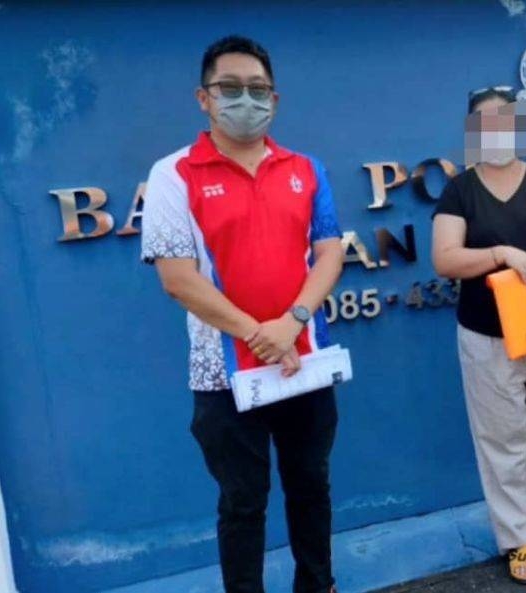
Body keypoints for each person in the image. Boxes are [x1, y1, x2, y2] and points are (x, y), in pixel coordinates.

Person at [140, 35, 344, 593]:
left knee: (311, 487)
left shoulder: (306, 168)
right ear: (203, 98)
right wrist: (259, 335)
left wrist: (293, 322)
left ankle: (318, 585)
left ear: (274, 100)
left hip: (304, 361)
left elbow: (330, 252)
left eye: (257, 90)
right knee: (242, 503)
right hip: (224, 375)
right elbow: (177, 279)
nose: (245, 100)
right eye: (230, 88)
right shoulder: (173, 174)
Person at [431, 87, 526, 584]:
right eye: (486, 120)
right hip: (486, 337)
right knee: (501, 439)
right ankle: (518, 537)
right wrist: (499, 253)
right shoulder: (460, 190)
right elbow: (445, 259)